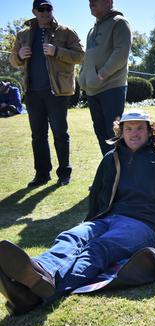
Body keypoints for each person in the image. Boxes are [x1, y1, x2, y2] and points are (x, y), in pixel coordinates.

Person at [0, 109, 155, 315]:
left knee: (98, 249)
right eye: (129, 128)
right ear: (120, 131)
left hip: (144, 226)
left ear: (150, 131)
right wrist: (92, 223)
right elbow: (98, 197)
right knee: (71, 237)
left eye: (140, 128)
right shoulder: (111, 158)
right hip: (107, 218)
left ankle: (38, 294)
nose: (134, 133)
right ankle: (37, 271)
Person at [9, 0, 84, 187]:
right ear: (34, 11)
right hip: (33, 92)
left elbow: (81, 55)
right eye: (40, 9)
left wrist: (57, 51)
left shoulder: (66, 31)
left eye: (48, 8)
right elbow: (12, 59)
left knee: (60, 133)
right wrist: (19, 56)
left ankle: (64, 174)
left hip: (57, 91)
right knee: (38, 135)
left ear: (52, 10)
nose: (44, 12)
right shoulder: (23, 35)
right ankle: (42, 174)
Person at [79, 0, 132, 155]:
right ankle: (110, 169)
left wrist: (101, 75)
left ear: (109, 2)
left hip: (112, 87)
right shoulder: (91, 30)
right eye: (89, 1)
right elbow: (88, 57)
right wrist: (83, 78)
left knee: (114, 134)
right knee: (101, 133)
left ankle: (123, 172)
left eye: (96, 0)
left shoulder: (120, 23)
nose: (91, 3)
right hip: (92, 90)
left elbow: (121, 54)